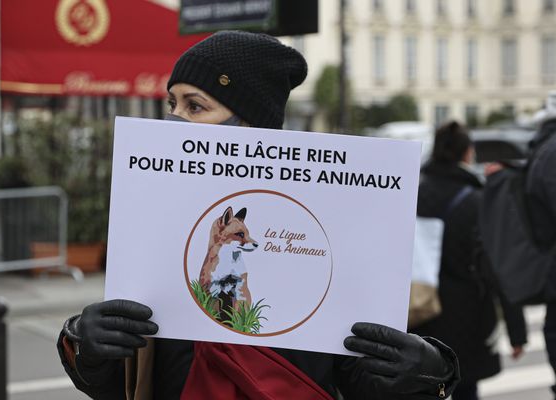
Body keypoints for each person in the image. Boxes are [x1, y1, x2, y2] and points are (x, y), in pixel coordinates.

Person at [57, 31, 460, 399]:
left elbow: (361, 376)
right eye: (172, 103)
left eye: (195, 106)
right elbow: (127, 382)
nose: (173, 120)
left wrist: (430, 371)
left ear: (251, 130)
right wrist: (86, 345)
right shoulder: (156, 228)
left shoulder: (319, 232)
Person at [411, 121, 527, 400]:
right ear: (467, 153)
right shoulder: (477, 200)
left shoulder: (413, 194)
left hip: (420, 309)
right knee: (465, 387)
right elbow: (498, 267)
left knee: (423, 388)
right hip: (469, 313)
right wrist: (516, 331)